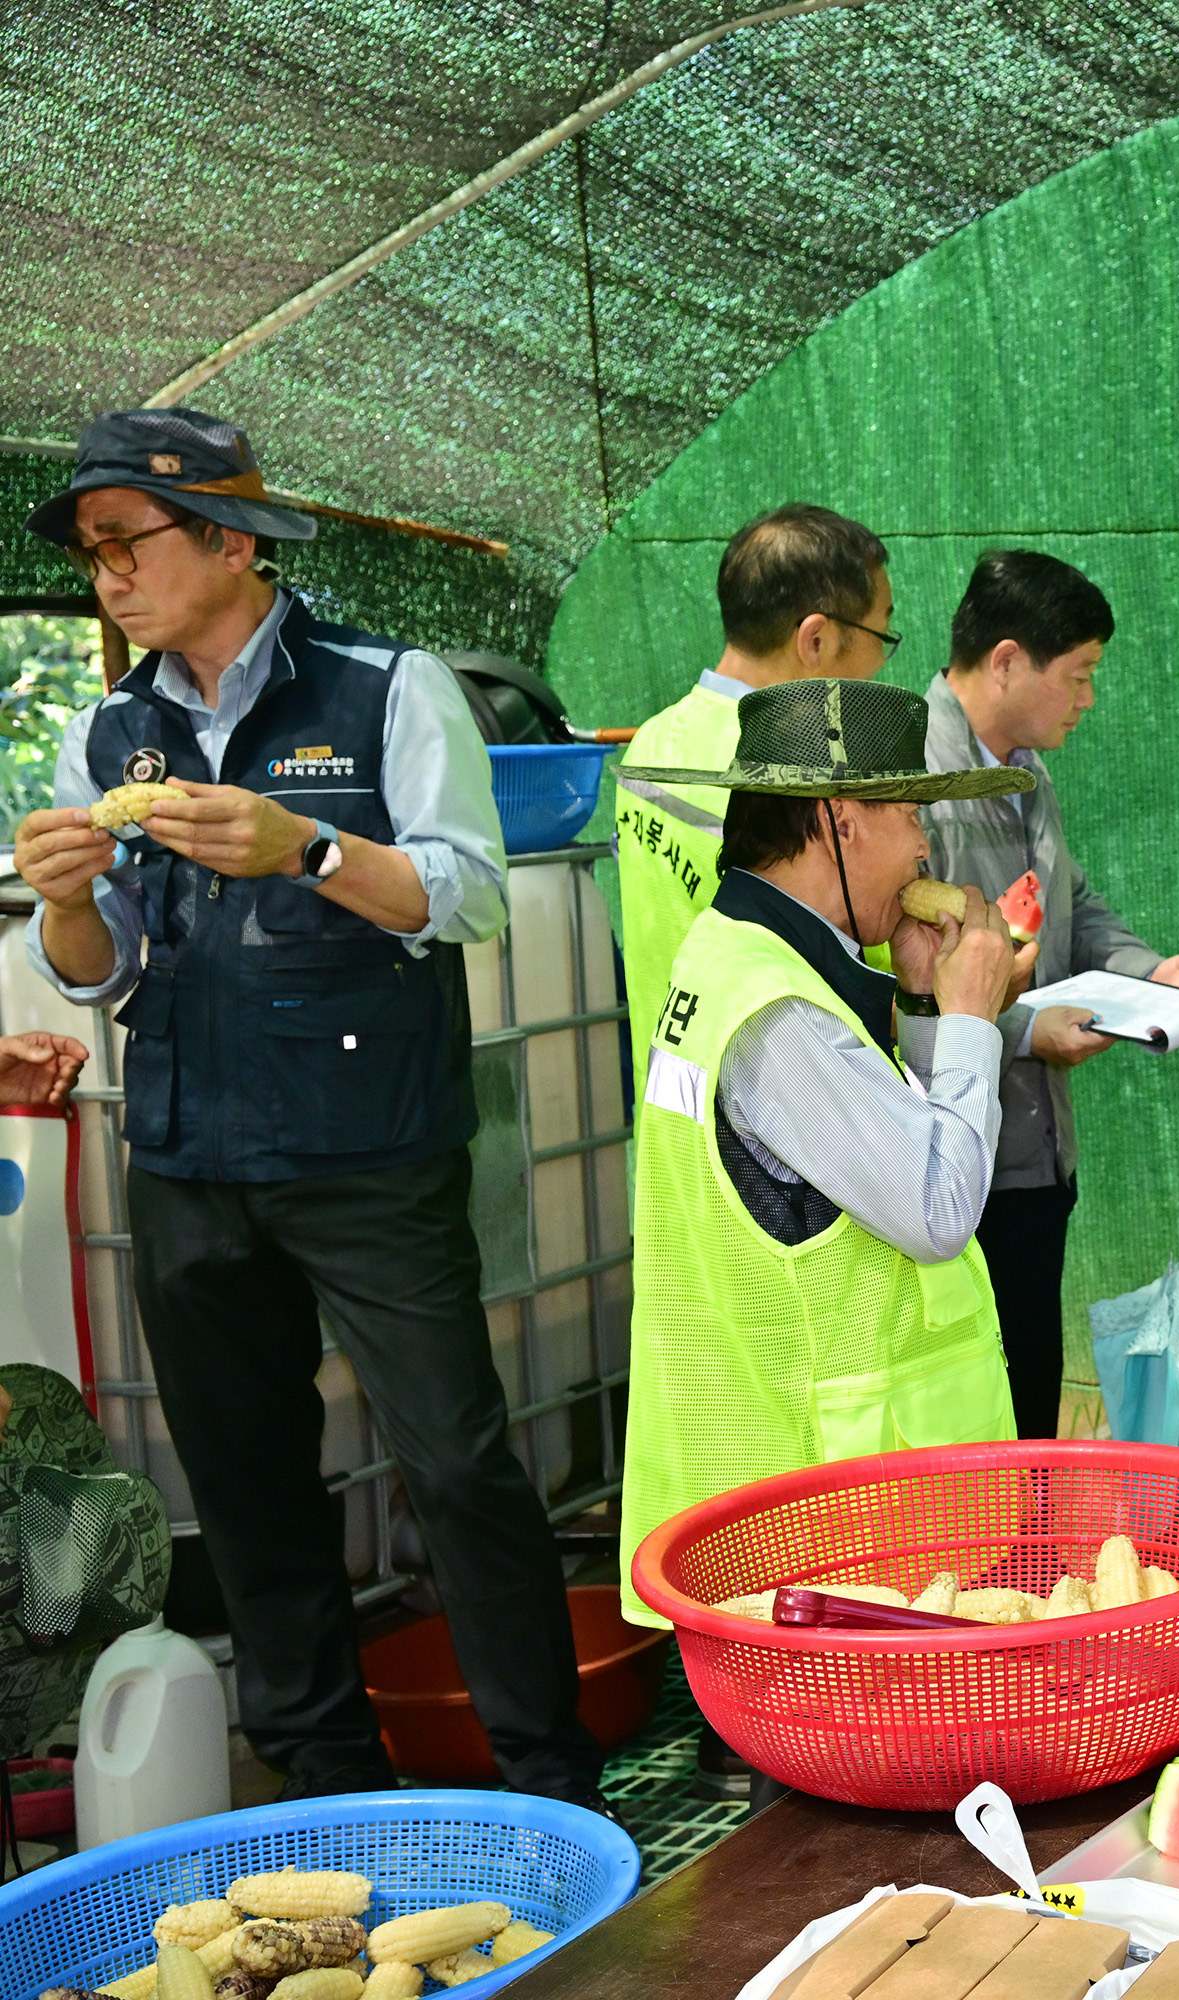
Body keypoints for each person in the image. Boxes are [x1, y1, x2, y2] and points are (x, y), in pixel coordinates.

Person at [11, 408, 605, 1805]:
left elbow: (464, 897)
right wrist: (58, 903)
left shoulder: (386, 688)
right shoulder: (110, 732)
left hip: (370, 1153)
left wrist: (312, 845)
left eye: (124, 541)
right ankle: (321, 1773)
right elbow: (95, 967)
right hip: (187, 1156)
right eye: (88, 551)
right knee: (247, 1482)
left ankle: (548, 1779)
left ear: (228, 536)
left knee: (456, 1463)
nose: (104, 573)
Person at [615, 678, 1031, 1634]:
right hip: (836, 1527)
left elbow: (874, 1150)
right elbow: (933, 1204)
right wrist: (971, 1021)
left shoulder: (731, 956)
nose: (928, 845)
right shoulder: (782, 1016)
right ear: (842, 820)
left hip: (798, 1496)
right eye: (913, 814)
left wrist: (923, 1005)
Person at [926, 550, 1179, 1444]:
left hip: (1037, 1152)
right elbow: (895, 989)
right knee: (980, 1415)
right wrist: (1020, 1031)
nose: (1088, 699)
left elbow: (1072, 902)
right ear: (1006, 661)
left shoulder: (1025, 768)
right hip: (951, 1167)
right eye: (1078, 676)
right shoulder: (911, 785)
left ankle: (1030, 1571)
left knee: (1033, 1385)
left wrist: (1143, 974)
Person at [616, 504, 895, 1090]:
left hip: (677, 1121)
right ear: (815, 639)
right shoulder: (804, 774)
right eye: (881, 636)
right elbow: (875, 987)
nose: (881, 664)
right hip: (784, 1141)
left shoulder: (651, 742)